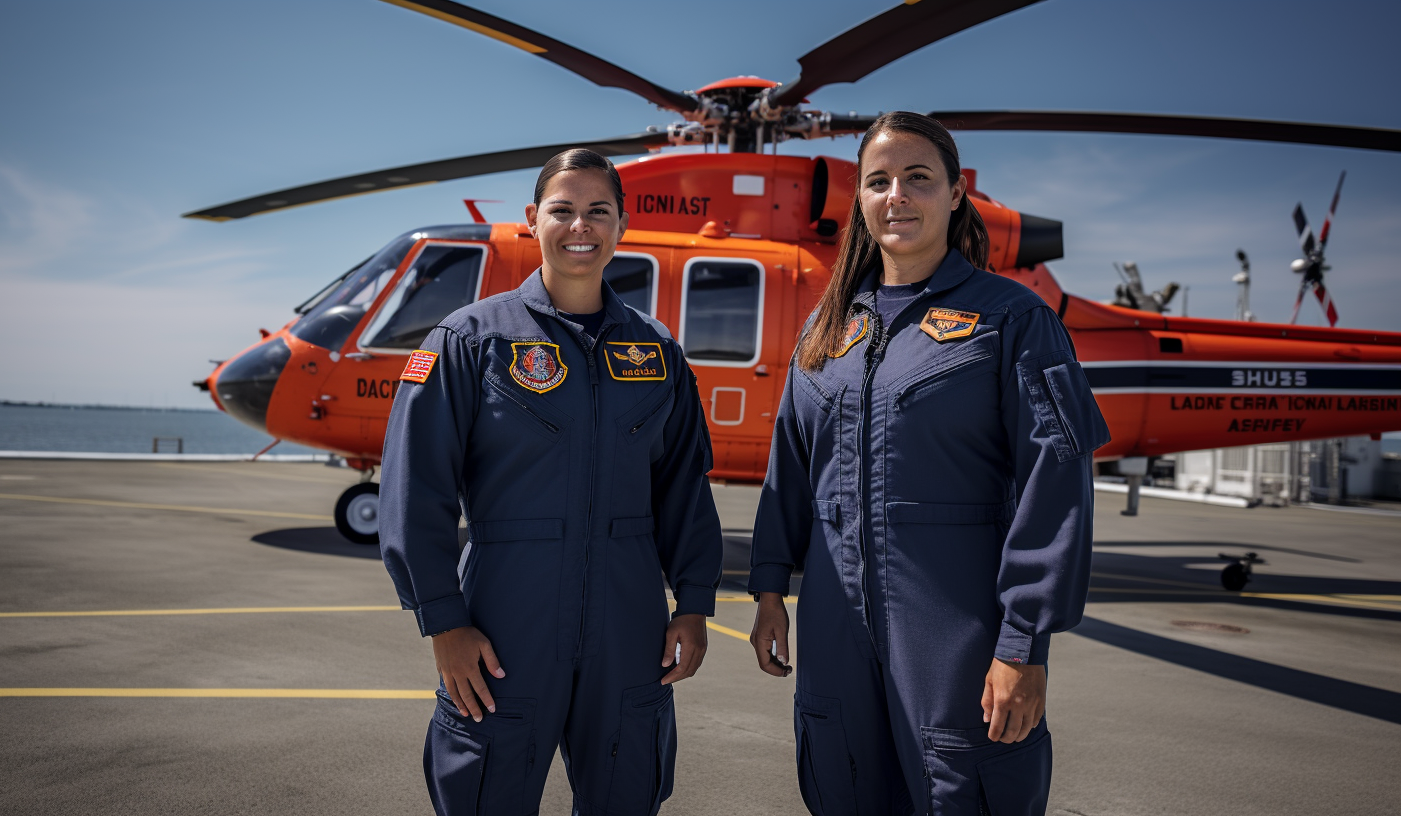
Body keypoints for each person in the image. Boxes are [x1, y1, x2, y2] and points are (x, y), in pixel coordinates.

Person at [747, 112, 1109, 816]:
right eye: (878, 182)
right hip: (831, 633)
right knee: (839, 780)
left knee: (963, 788)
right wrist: (767, 588)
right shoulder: (827, 331)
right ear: (860, 202)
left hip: (958, 640)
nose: (896, 196)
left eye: (917, 178)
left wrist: (1022, 645)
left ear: (955, 194)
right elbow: (788, 471)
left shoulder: (1013, 319)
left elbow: (1055, 480)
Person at [380, 149, 723, 816]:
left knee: (628, 792)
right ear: (534, 220)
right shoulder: (468, 340)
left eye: (598, 212)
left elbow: (684, 485)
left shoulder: (657, 354)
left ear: (622, 227)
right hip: (507, 620)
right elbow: (415, 488)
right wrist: (444, 623)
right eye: (562, 211)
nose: (580, 227)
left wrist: (694, 602)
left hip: (630, 625)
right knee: (486, 792)